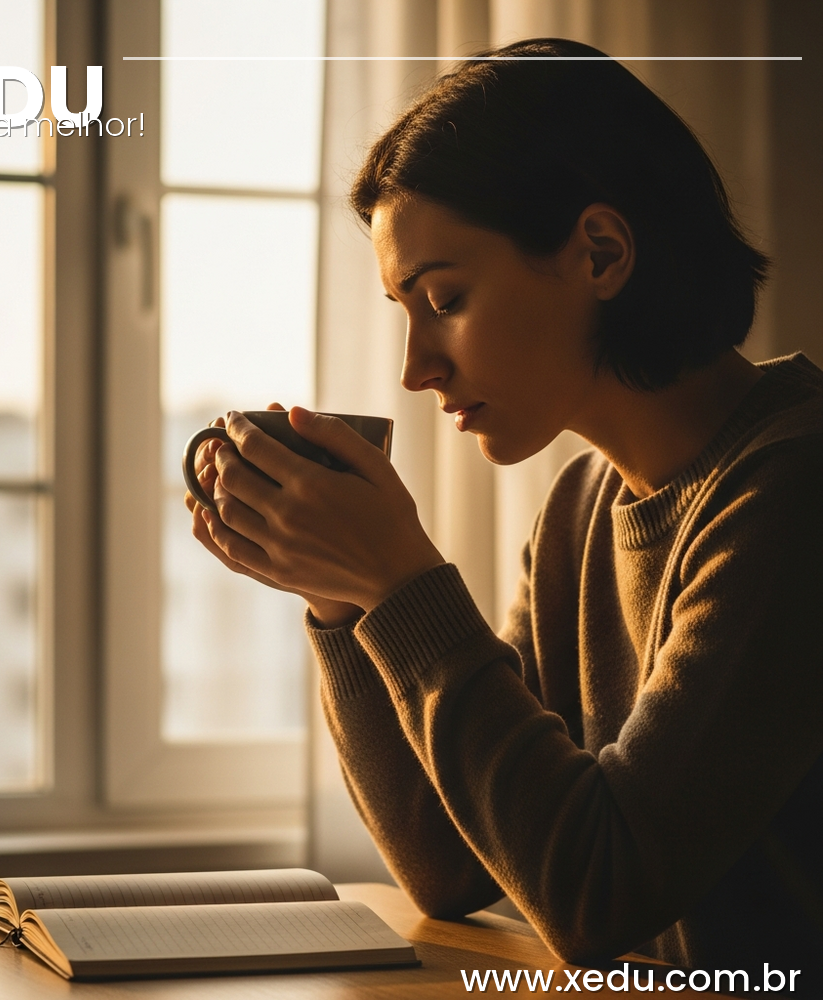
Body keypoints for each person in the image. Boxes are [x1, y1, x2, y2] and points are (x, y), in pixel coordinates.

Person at [186, 39, 821, 986]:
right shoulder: (579, 508)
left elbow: (596, 895)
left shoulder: (792, 487)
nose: (416, 368)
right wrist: (343, 598)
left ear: (601, 253)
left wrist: (403, 583)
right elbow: (452, 866)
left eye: (444, 298)